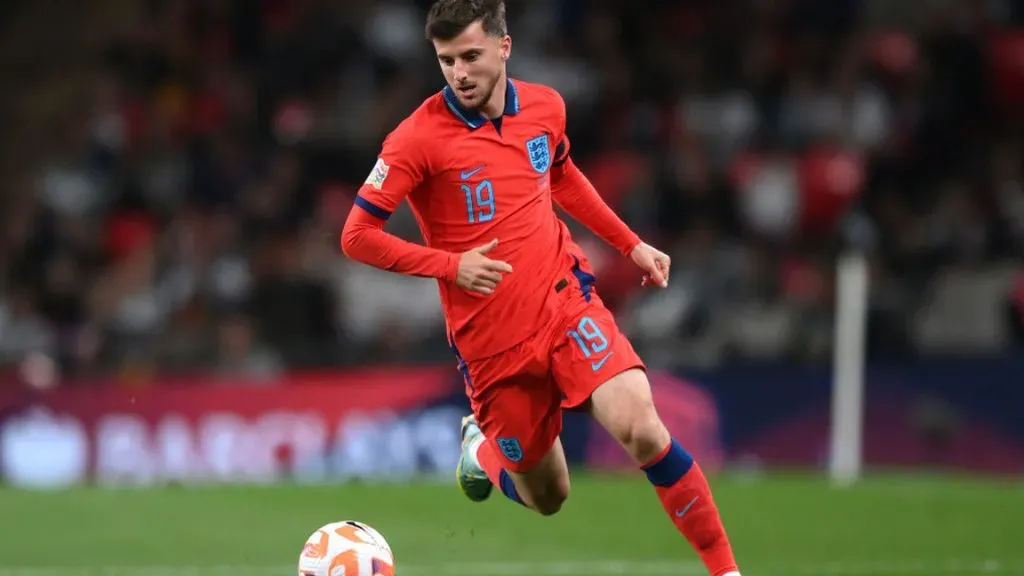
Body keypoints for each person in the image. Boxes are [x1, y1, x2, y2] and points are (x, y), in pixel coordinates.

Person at [340, 1, 740, 574]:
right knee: (549, 497)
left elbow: (562, 176)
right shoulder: (415, 139)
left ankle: (726, 570)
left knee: (643, 429)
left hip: (563, 301)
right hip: (491, 344)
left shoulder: (546, 107)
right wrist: (451, 267)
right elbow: (356, 236)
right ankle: (480, 449)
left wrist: (631, 244)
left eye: (471, 56)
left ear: (504, 48)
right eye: (447, 60)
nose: (459, 73)